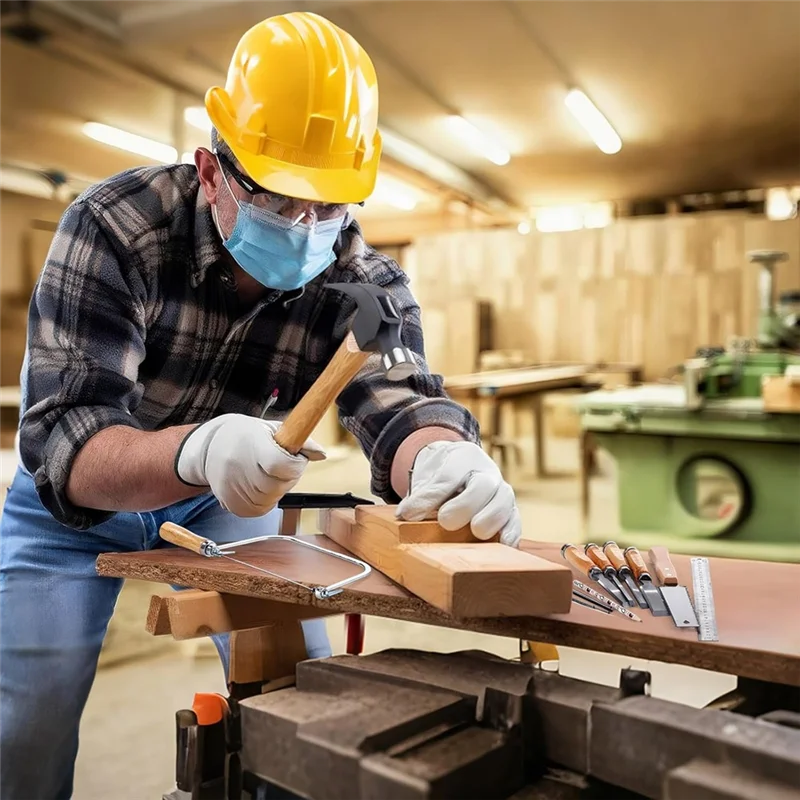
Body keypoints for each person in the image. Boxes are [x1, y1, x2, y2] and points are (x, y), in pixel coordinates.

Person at [0, 11, 521, 799]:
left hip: (222, 500)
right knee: (23, 724)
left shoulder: (360, 277)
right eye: (280, 199)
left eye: (331, 204)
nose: (308, 228)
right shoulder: (117, 225)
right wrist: (193, 448)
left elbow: (399, 398)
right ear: (212, 170)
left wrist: (444, 455)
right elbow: (68, 444)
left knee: (302, 693)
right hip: (76, 503)